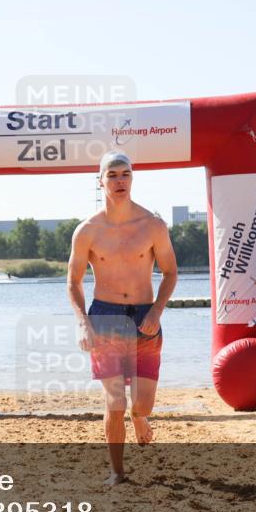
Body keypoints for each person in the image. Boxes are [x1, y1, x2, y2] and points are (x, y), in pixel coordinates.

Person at [68, 150, 178, 485]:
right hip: (105, 316)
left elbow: (171, 272)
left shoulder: (153, 225)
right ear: (100, 181)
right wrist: (82, 323)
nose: (120, 181)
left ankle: (140, 418)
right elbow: (73, 282)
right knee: (114, 399)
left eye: (125, 174)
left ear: (133, 178)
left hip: (146, 316)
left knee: (141, 405)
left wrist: (158, 310)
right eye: (113, 175)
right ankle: (117, 472)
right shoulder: (87, 230)